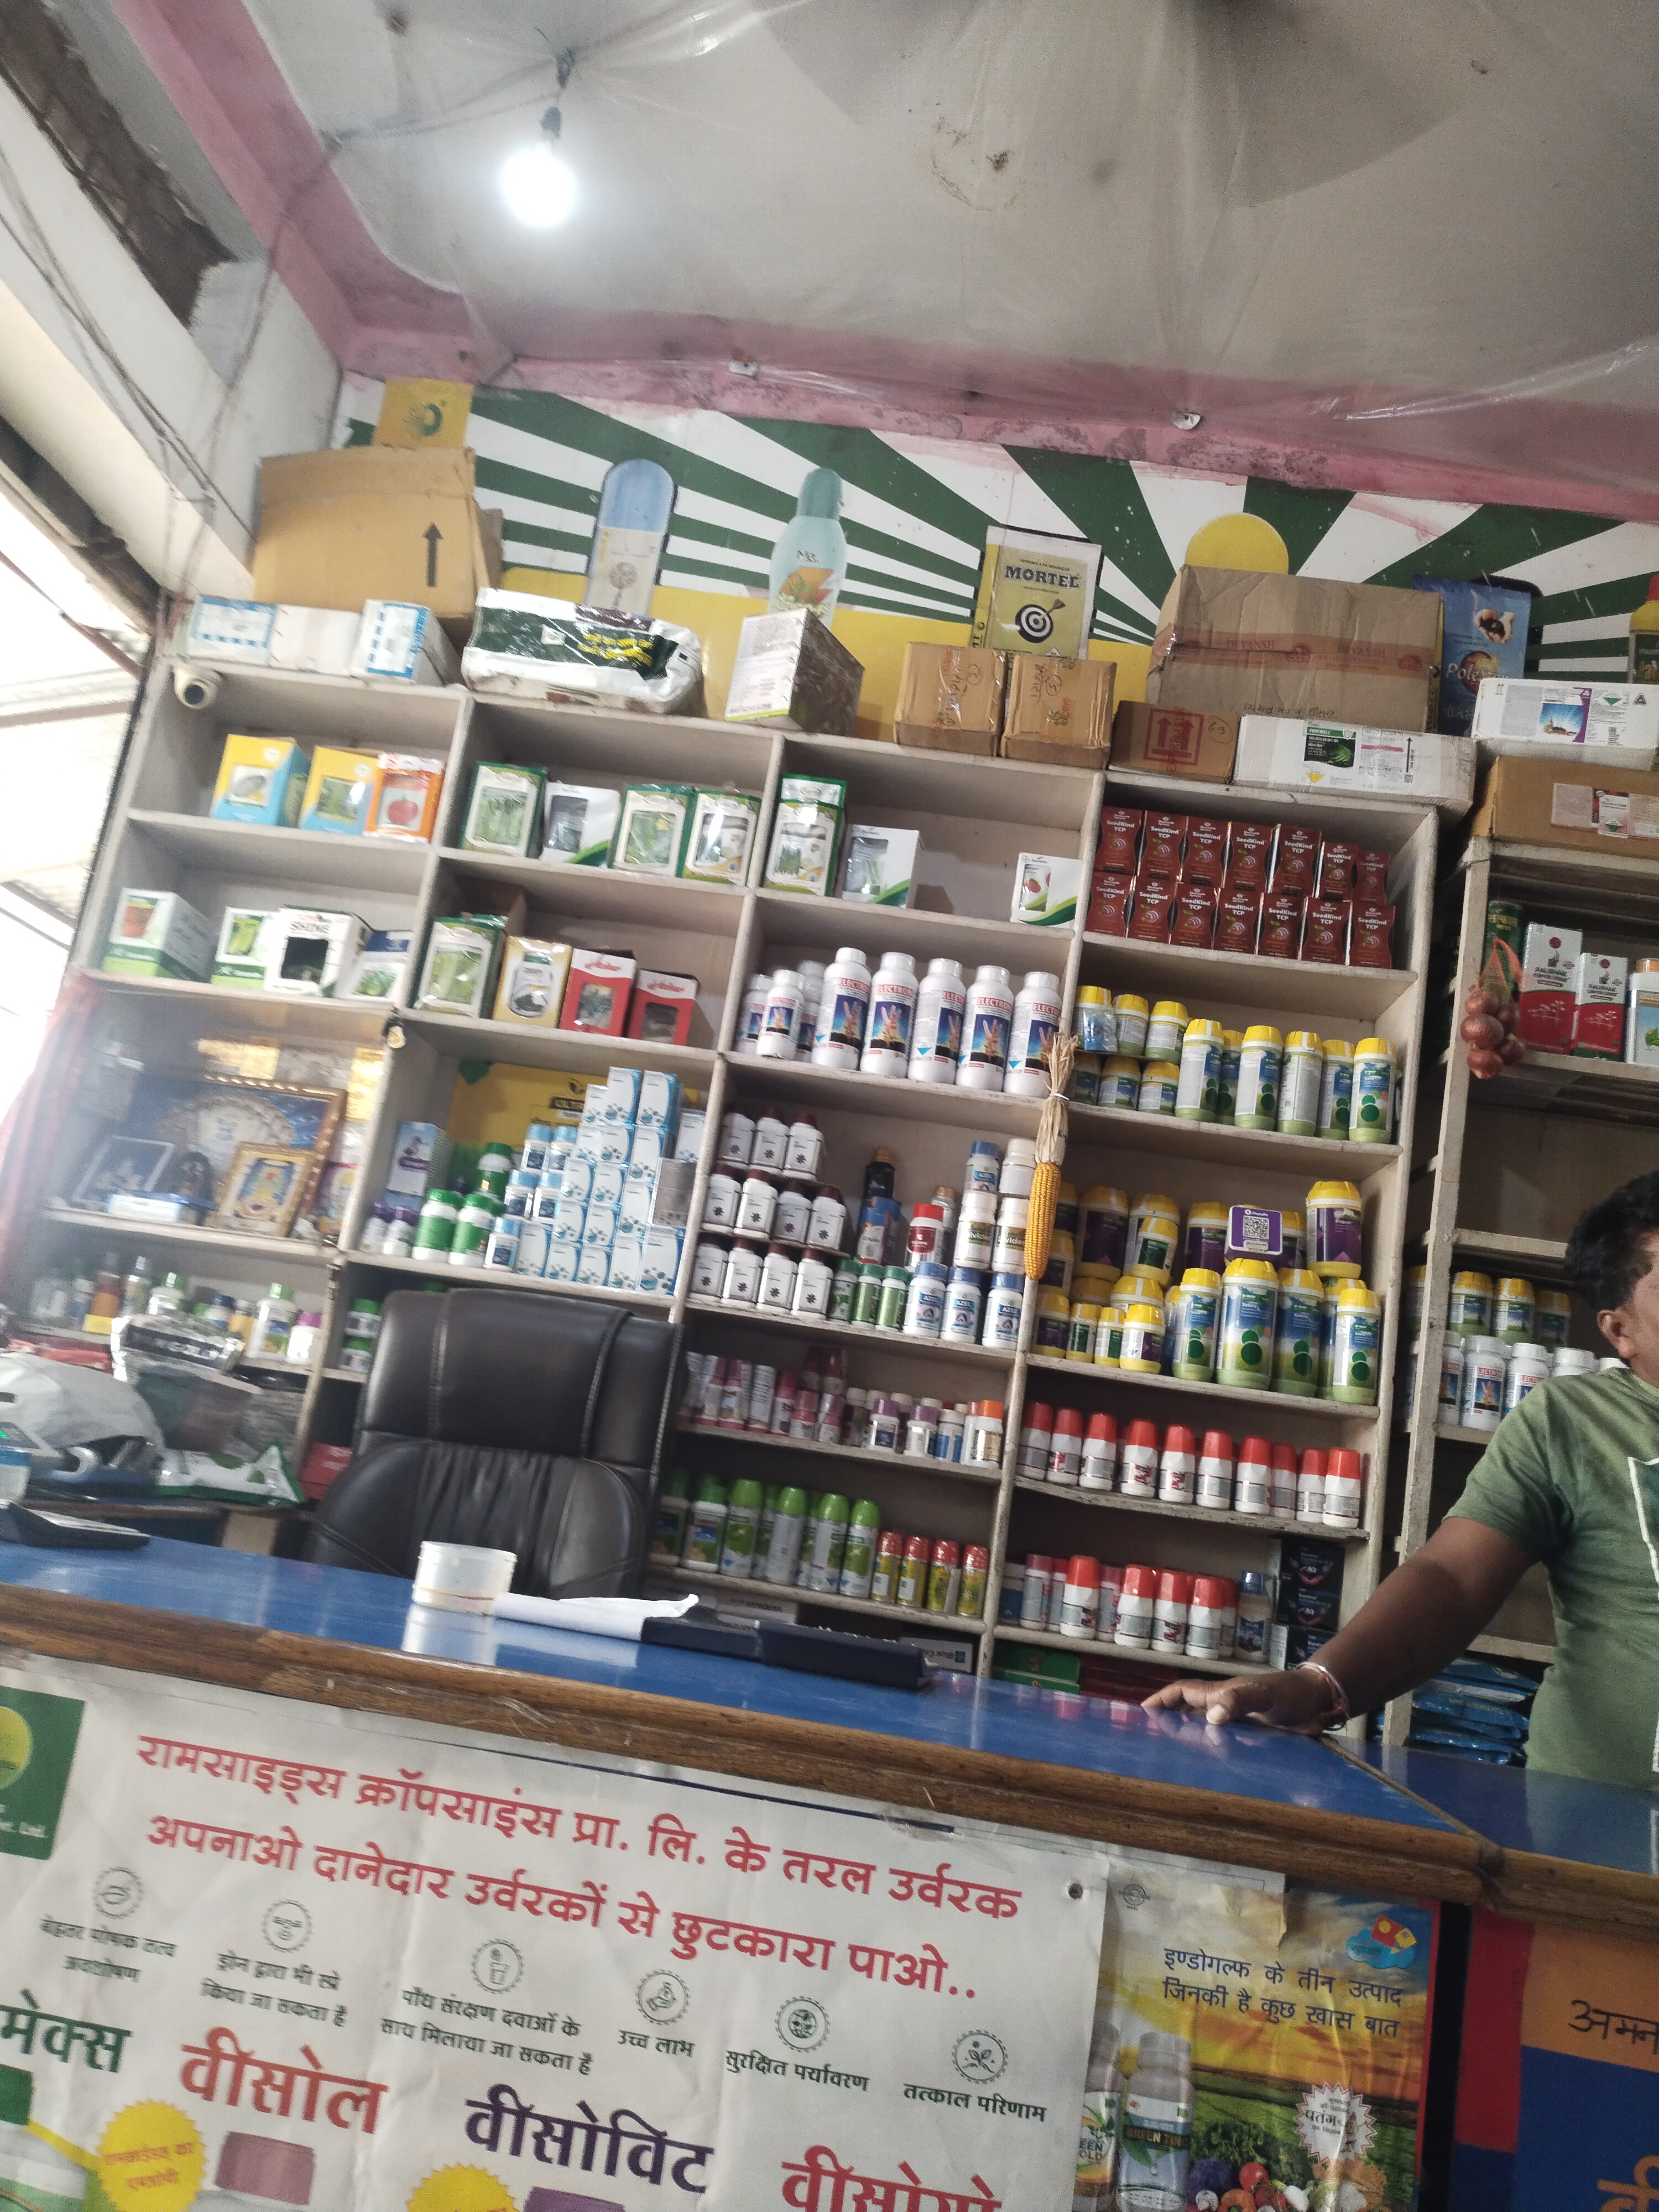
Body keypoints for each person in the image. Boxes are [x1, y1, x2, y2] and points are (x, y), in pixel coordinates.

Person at [1145, 1171, 1659, 1790]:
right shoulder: (1572, 1422)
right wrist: (1319, 1685)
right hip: (1601, 1817)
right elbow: (1452, 1579)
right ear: (1620, 1330)